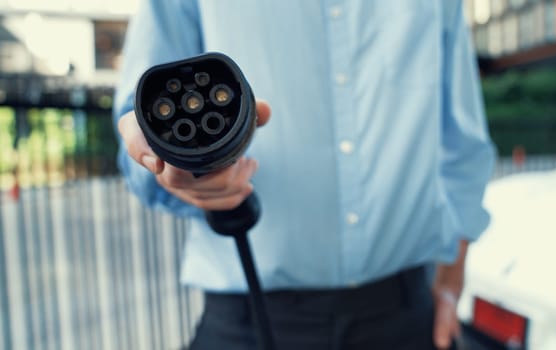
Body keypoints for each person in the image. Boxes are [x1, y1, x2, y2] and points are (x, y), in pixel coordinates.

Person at [114, 1, 495, 349]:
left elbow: (464, 146)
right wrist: (174, 169)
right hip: (248, 321)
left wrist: (451, 278)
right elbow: (138, 133)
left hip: (405, 314)